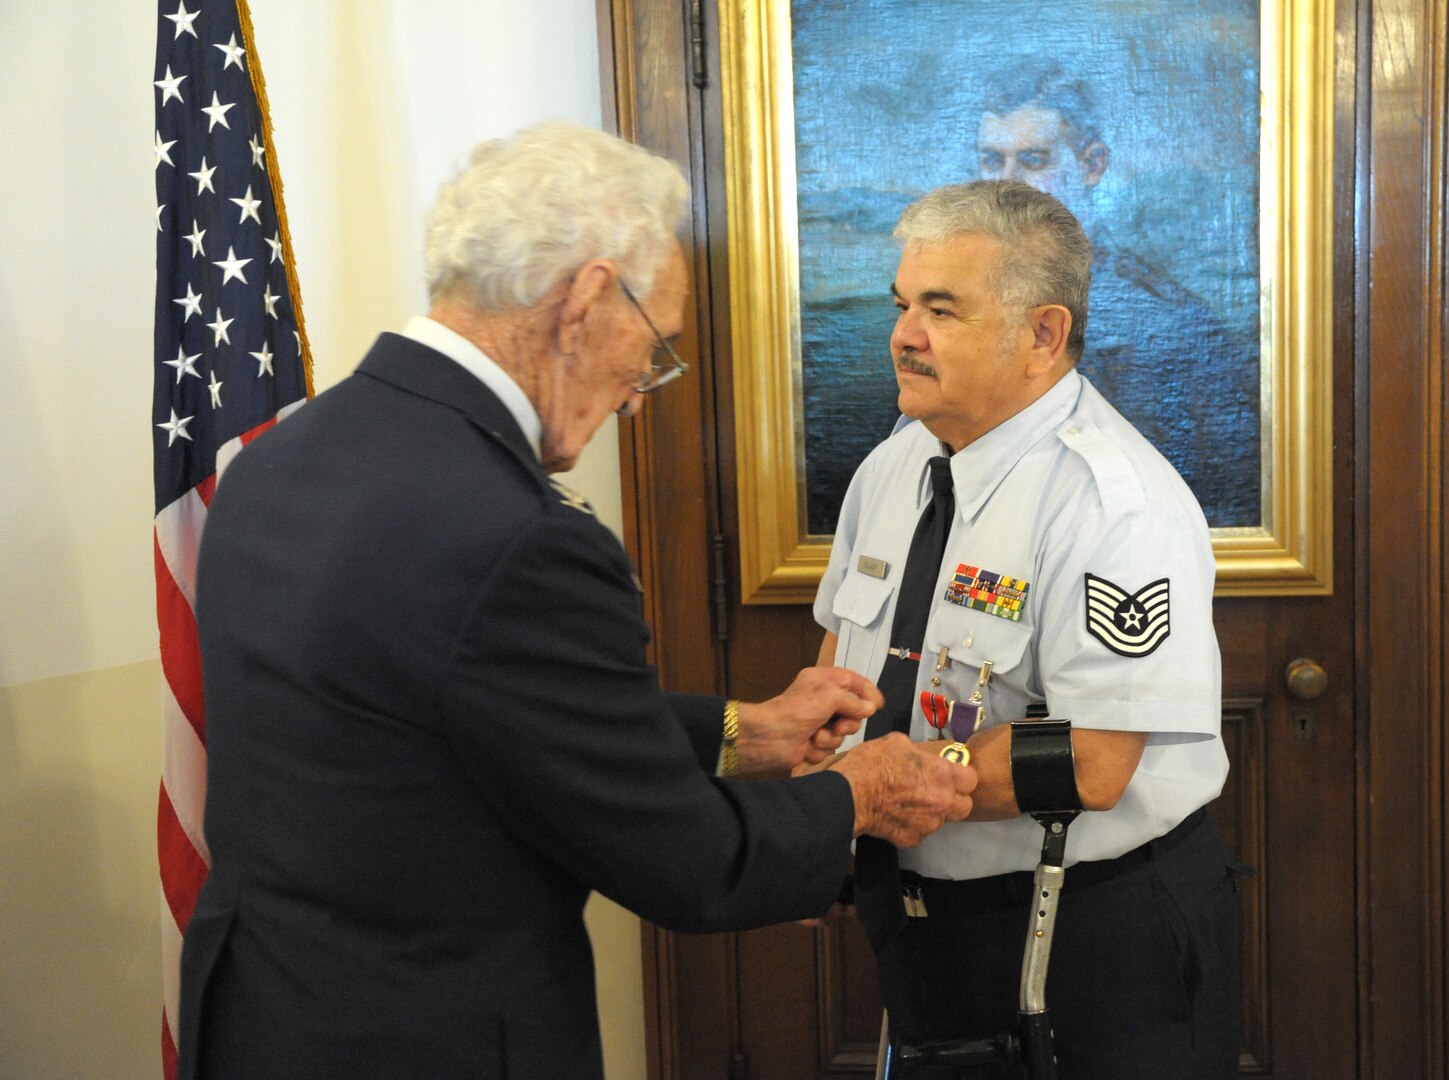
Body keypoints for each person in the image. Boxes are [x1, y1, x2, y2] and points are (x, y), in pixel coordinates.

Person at [176, 122, 977, 1080]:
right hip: (436, 1038)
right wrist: (859, 792)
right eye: (656, 347)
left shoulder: (280, 460)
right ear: (589, 298)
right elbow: (688, 863)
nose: (643, 393)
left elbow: (459, 702)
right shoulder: (523, 536)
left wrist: (740, 730)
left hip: (264, 1020)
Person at [811, 180, 1240, 1078]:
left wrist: (886, 785)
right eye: (902, 305)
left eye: (941, 309)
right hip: (917, 919)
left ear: (1043, 335)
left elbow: (1093, 760)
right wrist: (822, 785)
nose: (903, 334)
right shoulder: (897, 462)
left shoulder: (1114, 500)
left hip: (1088, 933)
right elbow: (842, 663)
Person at [974, 66, 1260, 528]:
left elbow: (1215, 490)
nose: (1005, 186)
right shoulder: (957, 309)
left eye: (1033, 160)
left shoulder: (1172, 320)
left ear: (1093, 164)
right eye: (992, 161)